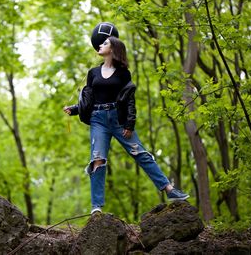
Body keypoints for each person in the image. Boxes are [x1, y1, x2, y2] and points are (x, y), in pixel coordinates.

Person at [63, 36, 189, 214]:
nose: (100, 45)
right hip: (98, 119)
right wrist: (75, 109)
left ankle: (169, 189)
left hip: (119, 119)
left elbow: (129, 99)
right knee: (97, 160)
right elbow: (89, 99)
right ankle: (96, 207)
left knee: (141, 153)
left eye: (105, 43)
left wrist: (130, 123)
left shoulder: (123, 74)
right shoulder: (93, 73)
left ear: (114, 49)